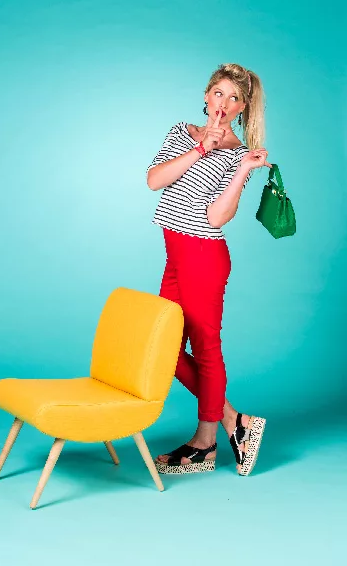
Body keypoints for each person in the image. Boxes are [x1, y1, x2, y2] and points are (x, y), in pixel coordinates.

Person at [146, 63, 272, 476]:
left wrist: (240, 170)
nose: (224, 103)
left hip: (203, 255)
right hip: (176, 256)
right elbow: (154, 180)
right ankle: (235, 422)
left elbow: (217, 217)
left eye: (234, 98)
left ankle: (206, 444)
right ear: (206, 96)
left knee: (205, 347)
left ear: (243, 107)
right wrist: (201, 148)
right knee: (165, 347)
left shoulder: (239, 153)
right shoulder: (182, 132)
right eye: (218, 93)